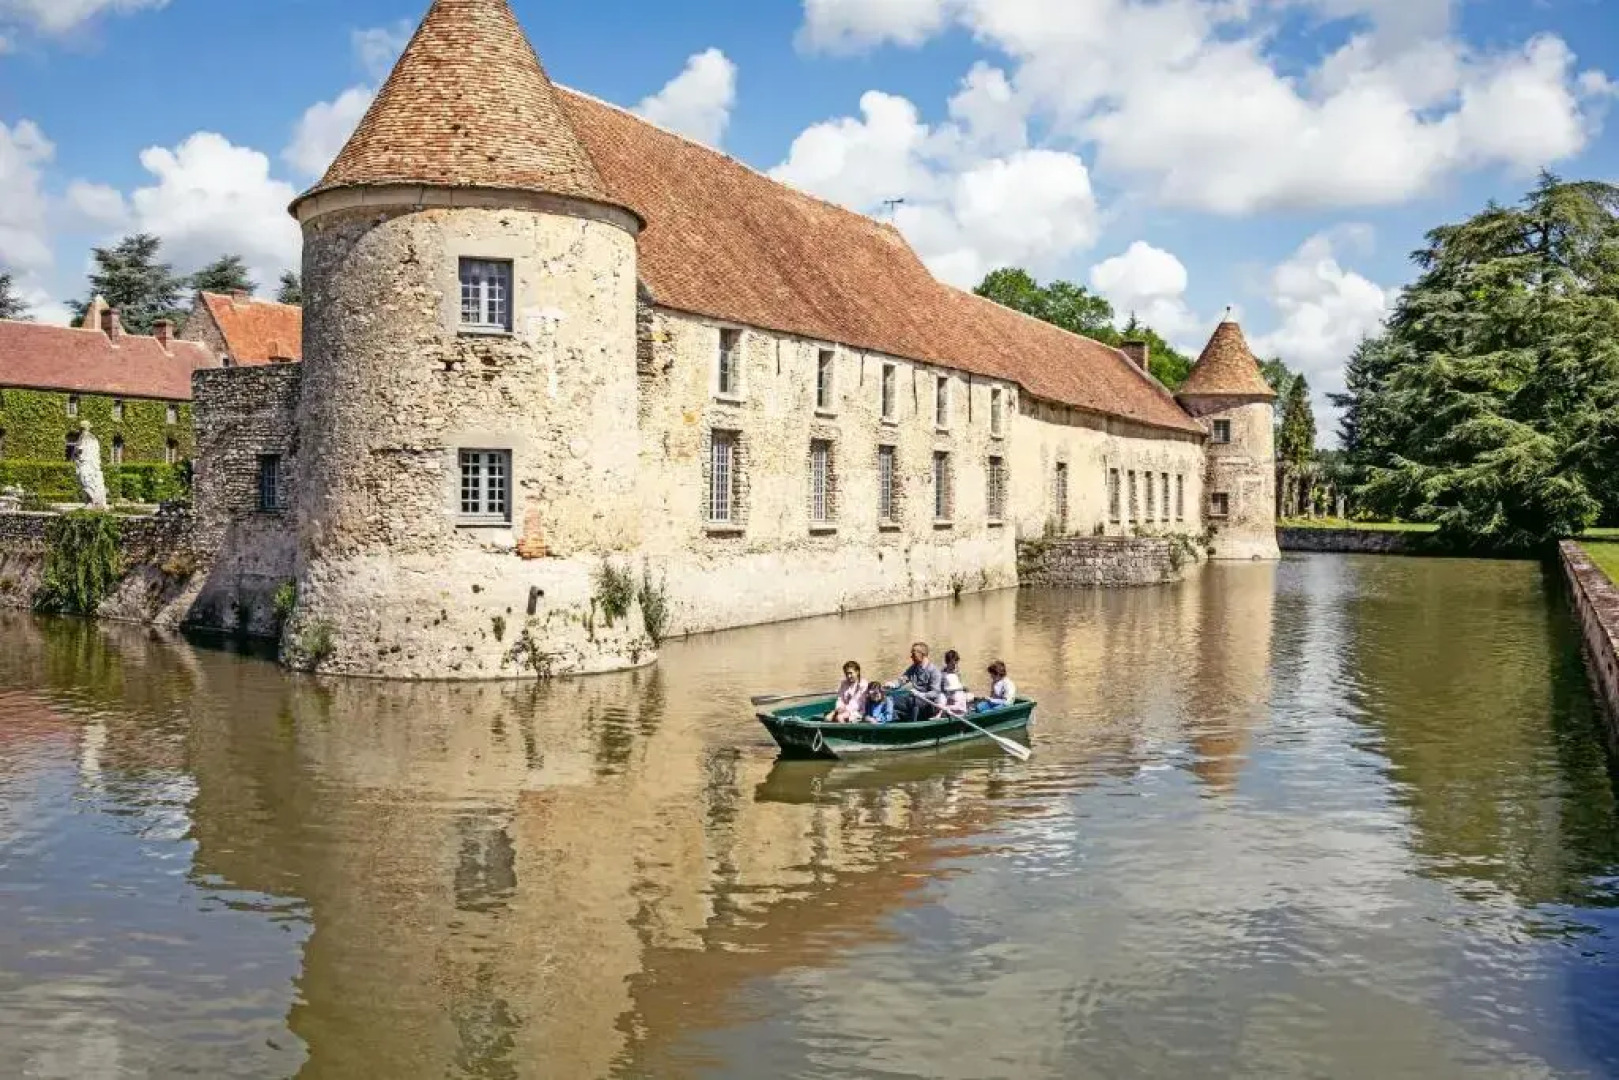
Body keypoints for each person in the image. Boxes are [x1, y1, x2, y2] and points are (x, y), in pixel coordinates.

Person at [887, 642, 943, 723]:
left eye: (913, 654)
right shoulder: (914, 667)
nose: (911, 657)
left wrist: (921, 695)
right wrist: (893, 684)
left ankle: (913, 725)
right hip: (913, 698)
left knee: (914, 702)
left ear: (922, 654)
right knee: (890, 698)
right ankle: (893, 721)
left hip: (928, 704)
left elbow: (935, 693)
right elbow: (903, 679)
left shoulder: (934, 671)